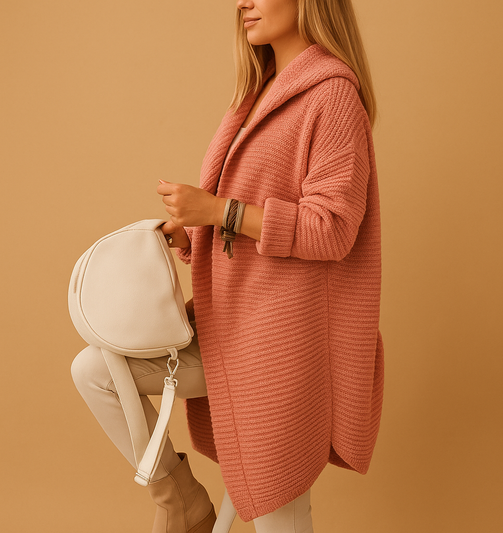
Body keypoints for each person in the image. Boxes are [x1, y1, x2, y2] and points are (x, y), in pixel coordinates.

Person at [71, 1, 384, 532]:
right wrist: (194, 232)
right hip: (234, 327)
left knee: (280, 516)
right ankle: (181, 498)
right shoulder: (261, 92)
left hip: (283, 345)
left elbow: (330, 228)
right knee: (96, 370)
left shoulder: (332, 95)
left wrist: (218, 212)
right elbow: (249, 218)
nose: (243, 2)